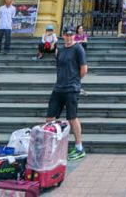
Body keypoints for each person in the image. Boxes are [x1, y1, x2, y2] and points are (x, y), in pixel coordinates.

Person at [46, 28, 88, 161]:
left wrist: (75, 81)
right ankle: (53, 147)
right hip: (58, 87)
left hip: (71, 88)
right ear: (63, 36)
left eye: (71, 35)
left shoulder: (78, 49)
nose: (69, 37)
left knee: (72, 117)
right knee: (50, 118)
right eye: (66, 35)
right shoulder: (59, 50)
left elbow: (84, 69)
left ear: (74, 36)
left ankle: (79, 147)